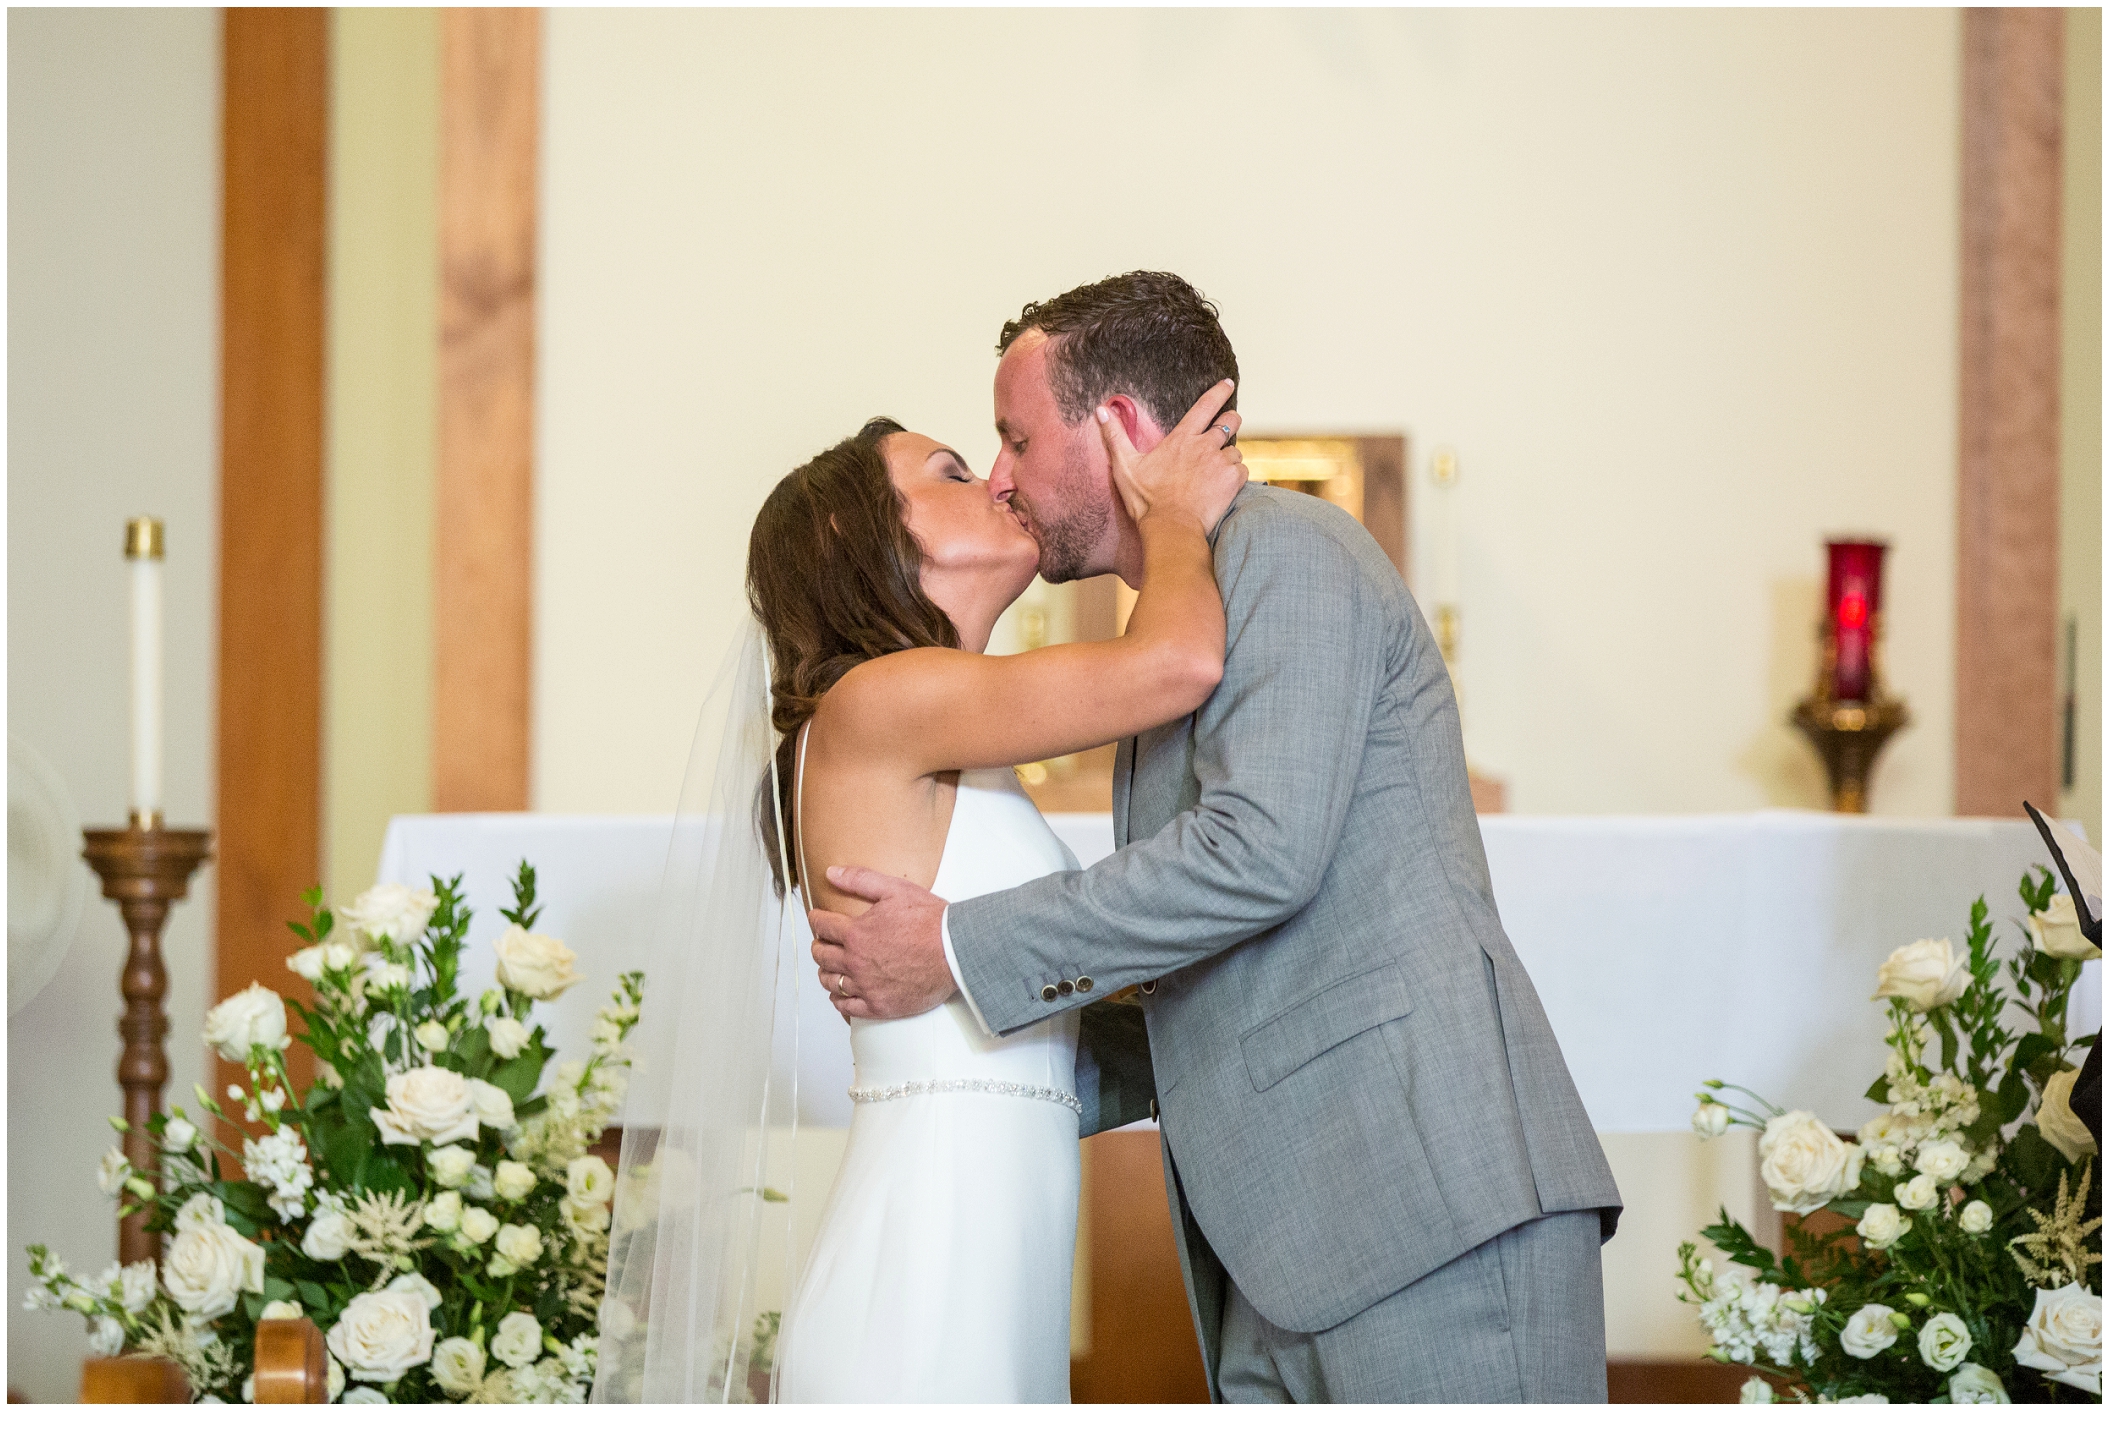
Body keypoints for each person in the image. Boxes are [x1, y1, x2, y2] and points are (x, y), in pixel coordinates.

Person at [810, 271, 1624, 1403]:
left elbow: (1259, 855)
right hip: (1288, 1244)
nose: (1003, 478)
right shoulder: (1167, 637)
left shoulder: (1285, 551)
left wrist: (957, 951)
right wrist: (993, 1072)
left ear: (1122, 430)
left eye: (1015, 438)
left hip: (1425, 1204)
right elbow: (1215, 969)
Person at [740, 389, 1249, 1401]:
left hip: (986, 1250)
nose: (1000, 481)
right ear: (858, 531)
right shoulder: (882, 698)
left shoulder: (933, 720)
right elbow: (1180, 661)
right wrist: (1175, 515)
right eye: (953, 474)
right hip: (925, 1274)